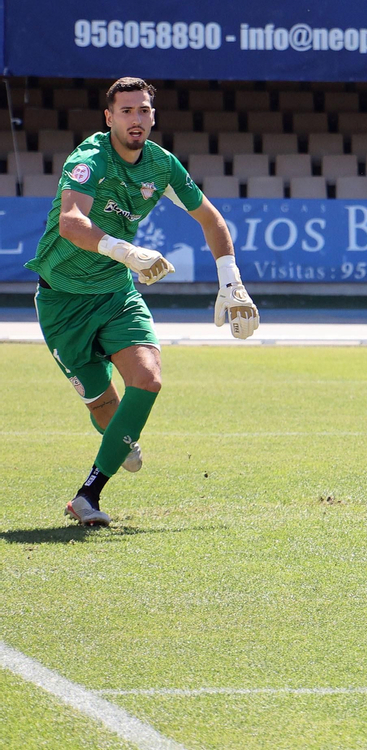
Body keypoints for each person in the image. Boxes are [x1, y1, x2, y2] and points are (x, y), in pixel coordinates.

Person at [27, 77, 259, 527]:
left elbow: (211, 219)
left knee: (148, 379)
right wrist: (128, 251)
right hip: (62, 304)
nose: (138, 119)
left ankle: (87, 496)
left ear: (153, 116)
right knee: (104, 410)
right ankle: (119, 438)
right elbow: (72, 223)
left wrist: (231, 281)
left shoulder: (162, 165)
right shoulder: (89, 158)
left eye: (145, 110)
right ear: (109, 117)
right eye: (128, 111)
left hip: (116, 294)